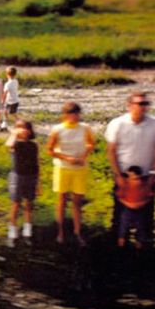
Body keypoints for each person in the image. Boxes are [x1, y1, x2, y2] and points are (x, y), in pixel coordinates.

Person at [106, 91, 155, 243]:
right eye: (139, 103)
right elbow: (111, 151)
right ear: (129, 106)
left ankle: (145, 248)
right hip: (124, 176)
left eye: (145, 104)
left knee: (146, 215)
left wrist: (153, 175)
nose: (143, 107)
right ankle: (119, 245)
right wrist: (118, 176)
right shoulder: (117, 124)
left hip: (147, 175)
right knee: (121, 214)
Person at [47, 102, 94, 246]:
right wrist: (67, 158)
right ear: (65, 115)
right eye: (71, 114)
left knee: (77, 202)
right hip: (62, 168)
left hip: (80, 169)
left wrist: (83, 156)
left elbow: (91, 144)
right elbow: (50, 150)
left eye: (77, 114)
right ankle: (60, 232)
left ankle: (77, 232)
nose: (74, 117)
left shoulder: (85, 128)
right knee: (61, 200)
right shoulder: (58, 129)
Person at [5, 120, 39, 247]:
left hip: (31, 176)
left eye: (26, 128)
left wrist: (38, 183)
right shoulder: (15, 145)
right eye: (20, 128)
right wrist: (14, 134)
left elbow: (37, 164)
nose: (23, 130)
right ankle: (12, 232)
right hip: (17, 177)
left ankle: (27, 231)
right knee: (15, 204)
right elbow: (8, 144)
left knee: (29, 204)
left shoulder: (33, 145)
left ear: (30, 131)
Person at [116, 165, 154, 249]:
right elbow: (119, 196)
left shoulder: (144, 185)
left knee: (140, 227)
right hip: (127, 210)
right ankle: (121, 243)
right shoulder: (126, 184)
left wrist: (141, 203)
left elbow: (149, 196)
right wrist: (127, 203)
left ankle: (139, 245)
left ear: (138, 176)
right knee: (123, 226)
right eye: (129, 175)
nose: (130, 177)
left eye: (132, 175)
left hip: (139, 210)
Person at [2, 66, 20, 131]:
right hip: (15, 100)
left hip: (11, 101)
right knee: (5, 111)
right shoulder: (16, 81)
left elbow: (5, 93)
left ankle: (20, 123)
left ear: (7, 74)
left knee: (13, 113)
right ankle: (4, 124)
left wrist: (2, 101)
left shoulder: (7, 84)